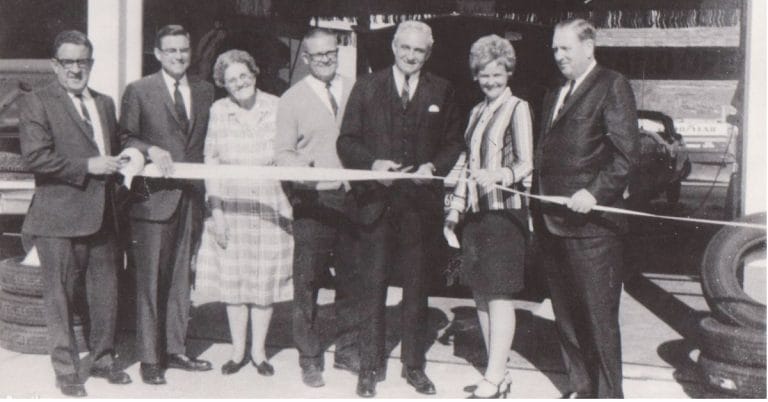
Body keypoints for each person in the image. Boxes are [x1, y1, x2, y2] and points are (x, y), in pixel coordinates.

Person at [337, 20, 464, 398]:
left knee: (416, 289)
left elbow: (454, 141)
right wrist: (373, 165)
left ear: (429, 52)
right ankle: (369, 366)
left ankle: (414, 367)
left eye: (419, 50)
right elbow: (347, 141)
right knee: (371, 288)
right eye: (405, 47)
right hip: (375, 205)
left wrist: (434, 168)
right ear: (394, 47)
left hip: (418, 210)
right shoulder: (367, 87)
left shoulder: (442, 89)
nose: (411, 55)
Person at [18, 30, 131, 397]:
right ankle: (66, 371)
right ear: (55, 65)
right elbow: (35, 158)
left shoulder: (105, 102)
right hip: (59, 218)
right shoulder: (38, 101)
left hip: (104, 216)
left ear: (91, 64)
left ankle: (102, 359)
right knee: (60, 298)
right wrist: (88, 165)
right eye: (68, 62)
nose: (75, 69)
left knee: (106, 295)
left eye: (82, 61)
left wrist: (144, 151)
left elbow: (121, 142)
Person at [532, 19, 639, 398]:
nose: (558, 56)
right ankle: (580, 387)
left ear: (589, 47)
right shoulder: (555, 92)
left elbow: (626, 158)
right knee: (567, 318)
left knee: (599, 321)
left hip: (594, 231)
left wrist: (594, 194)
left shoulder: (612, 85)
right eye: (555, 49)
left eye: (566, 48)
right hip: (553, 225)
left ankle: (610, 394)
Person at [120, 24, 215, 385]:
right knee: (149, 281)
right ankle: (149, 356)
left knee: (180, 279)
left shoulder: (205, 91)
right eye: (171, 51)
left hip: (191, 198)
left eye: (183, 50)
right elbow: (125, 135)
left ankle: (175, 349)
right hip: (150, 200)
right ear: (157, 54)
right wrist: (149, 149)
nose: (178, 56)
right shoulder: (139, 91)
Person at [194, 49, 293, 377]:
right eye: (231, 79)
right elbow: (211, 161)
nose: (239, 83)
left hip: (269, 202)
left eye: (243, 75)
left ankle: (259, 352)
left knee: (264, 280)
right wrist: (216, 212)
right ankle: (237, 351)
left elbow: (290, 153)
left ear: (255, 73)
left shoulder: (278, 106)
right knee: (234, 282)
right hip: (231, 204)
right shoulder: (218, 111)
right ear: (223, 84)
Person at [444, 34, 533, 399]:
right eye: (484, 75)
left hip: (504, 215)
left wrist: (499, 175)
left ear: (508, 72)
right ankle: (499, 372)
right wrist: (453, 211)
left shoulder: (518, 107)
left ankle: (495, 377)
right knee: (481, 293)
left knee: (499, 296)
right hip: (477, 216)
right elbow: (467, 162)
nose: (491, 81)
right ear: (476, 75)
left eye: (497, 74)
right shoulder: (476, 112)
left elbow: (527, 162)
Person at [274, 28, 361, 388]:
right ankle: (309, 357)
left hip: (353, 200)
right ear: (306, 59)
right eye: (318, 55)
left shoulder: (358, 88)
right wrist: (302, 172)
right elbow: (281, 152)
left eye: (331, 53)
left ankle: (348, 349)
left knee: (353, 279)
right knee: (307, 283)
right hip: (313, 202)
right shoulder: (292, 99)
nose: (326, 59)